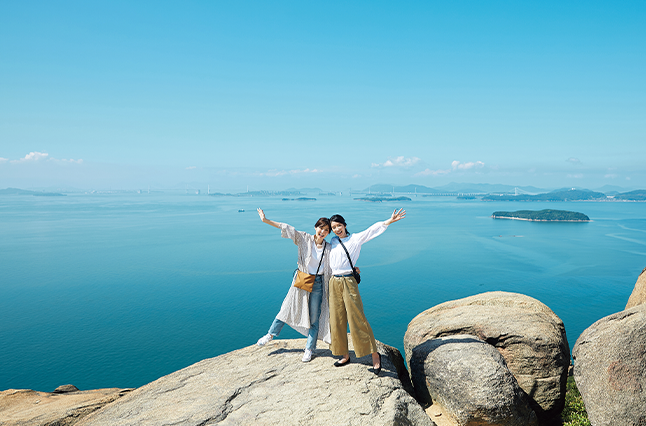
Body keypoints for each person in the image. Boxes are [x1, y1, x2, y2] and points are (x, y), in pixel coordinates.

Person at [328, 209, 406, 375]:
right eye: (333, 227)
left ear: (345, 225)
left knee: (357, 318)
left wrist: (388, 221)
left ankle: (375, 356)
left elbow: (372, 230)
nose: (337, 229)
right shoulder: (333, 242)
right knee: (337, 318)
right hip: (334, 282)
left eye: (339, 225)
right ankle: (344, 355)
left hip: (349, 281)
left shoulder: (355, 238)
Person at [255, 208, 332, 362]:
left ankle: (309, 349)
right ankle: (270, 335)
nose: (322, 232)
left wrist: (353, 269)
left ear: (329, 233)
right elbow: (286, 227)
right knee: (287, 307)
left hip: (318, 283)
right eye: (320, 228)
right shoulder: (304, 238)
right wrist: (266, 220)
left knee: (314, 318)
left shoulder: (329, 248)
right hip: (302, 280)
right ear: (315, 227)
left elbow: (340, 260)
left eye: (326, 230)